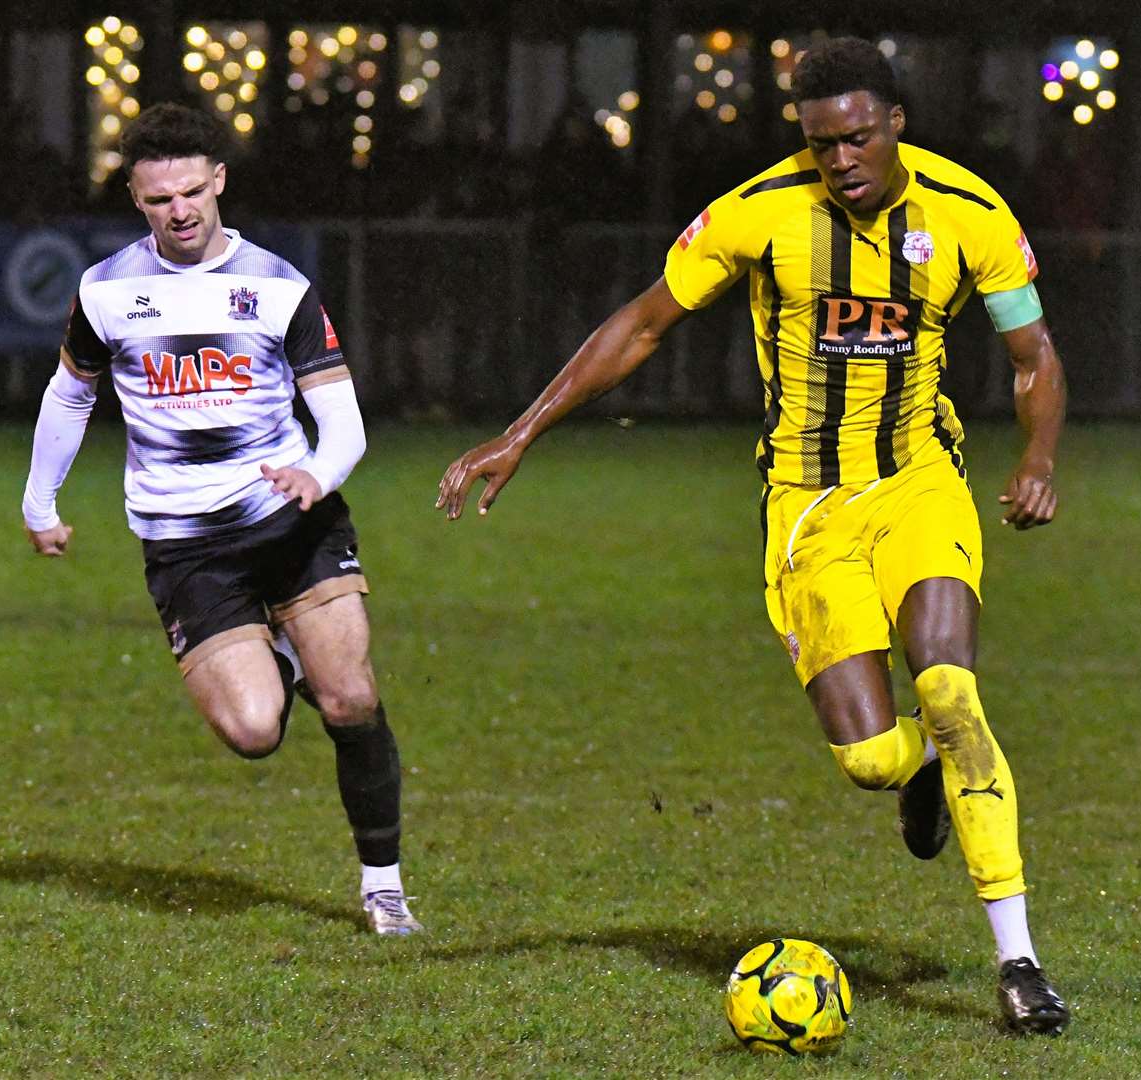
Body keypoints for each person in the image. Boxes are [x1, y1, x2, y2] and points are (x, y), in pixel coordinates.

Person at [439, 37, 1069, 1032]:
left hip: (917, 483)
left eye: (856, 137)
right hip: (805, 509)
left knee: (949, 686)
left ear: (894, 122)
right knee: (866, 758)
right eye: (820, 144)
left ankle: (1018, 961)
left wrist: (1034, 459)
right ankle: (919, 771)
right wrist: (520, 432)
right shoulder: (759, 212)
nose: (840, 161)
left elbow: (1030, 356)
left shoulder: (971, 214)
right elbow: (643, 323)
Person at [21, 102, 421, 937]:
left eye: (194, 191)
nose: (180, 210)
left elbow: (342, 420)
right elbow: (70, 393)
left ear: (220, 181)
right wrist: (40, 500)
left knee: (349, 699)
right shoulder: (107, 291)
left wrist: (315, 471)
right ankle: (280, 652)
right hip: (186, 547)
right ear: (136, 197)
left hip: (290, 521)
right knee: (252, 731)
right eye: (160, 197)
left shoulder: (278, 288)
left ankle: (383, 888)